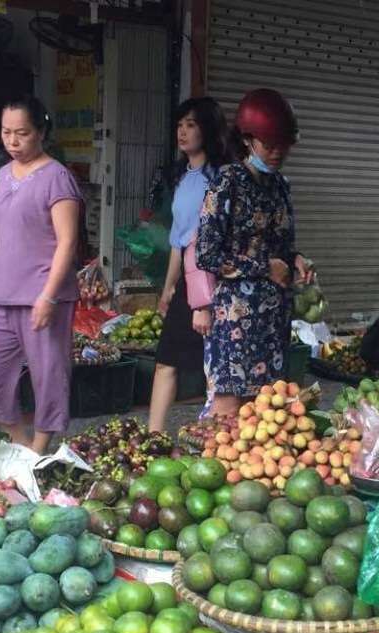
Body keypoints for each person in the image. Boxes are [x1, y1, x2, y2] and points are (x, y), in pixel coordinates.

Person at [195, 88, 314, 417]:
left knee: (267, 407)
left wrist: (296, 260)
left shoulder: (280, 185)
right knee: (229, 408)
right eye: (269, 145)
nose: (277, 152)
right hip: (237, 316)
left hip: (275, 316)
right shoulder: (227, 182)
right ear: (247, 139)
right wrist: (264, 267)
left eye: (284, 146)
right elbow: (206, 253)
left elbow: (281, 247)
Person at [0, 96, 81, 453]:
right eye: (6, 132)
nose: (12, 141)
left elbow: (67, 243)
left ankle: (38, 451)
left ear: (40, 132)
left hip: (42, 296)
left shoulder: (57, 178)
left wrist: (49, 295)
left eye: (22, 133)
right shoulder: (3, 174)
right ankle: (18, 442)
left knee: (49, 375)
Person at [148, 98, 229, 431]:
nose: (182, 131)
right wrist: (168, 286)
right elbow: (177, 240)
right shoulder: (184, 177)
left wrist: (204, 301)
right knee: (165, 361)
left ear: (208, 129)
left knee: (218, 369)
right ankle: (154, 436)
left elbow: (215, 240)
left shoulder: (223, 177)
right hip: (188, 283)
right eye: (180, 124)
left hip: (217, 285)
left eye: (191, 124)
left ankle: (219, 440)